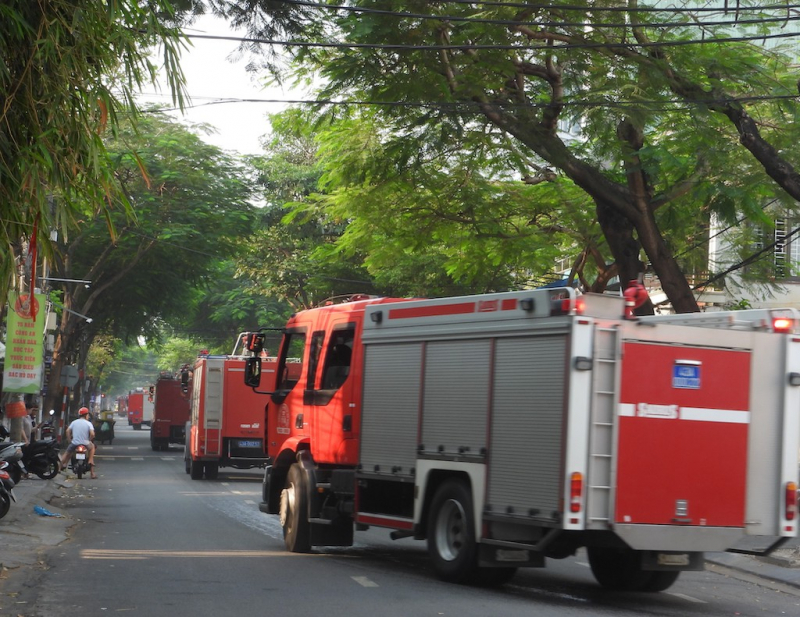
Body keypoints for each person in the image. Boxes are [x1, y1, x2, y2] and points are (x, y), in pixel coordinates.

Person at [60, 407, 97, 479]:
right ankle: (91, 469)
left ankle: (58, 467)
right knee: (92, 448)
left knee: (67, 453)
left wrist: (69, 440)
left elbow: (67, 431)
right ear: (86, 415)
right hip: (86, 443)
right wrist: (89, 440)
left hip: (74, 443)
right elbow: (92, 434)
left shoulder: (74, 422)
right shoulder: (89, 423)